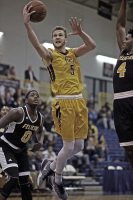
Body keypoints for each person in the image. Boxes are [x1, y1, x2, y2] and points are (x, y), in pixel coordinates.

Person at [23, 3, 96, 200]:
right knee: (69, 146)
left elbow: (92, 45)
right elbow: (36, 44)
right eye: (54, 35)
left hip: (80, 103)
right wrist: (28, 26)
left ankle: (50, 166)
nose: (57, 38)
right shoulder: (49, 56)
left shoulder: (73, 53)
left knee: (79, 147)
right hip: (63, 104)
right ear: (52, 39)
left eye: (60, 35)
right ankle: (58, 179)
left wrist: (80, 32)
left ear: (65, 38)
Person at [0, 90, 45, 200]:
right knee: (13, 177)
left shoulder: (40, 118)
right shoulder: (17, 112)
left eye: (37, 95)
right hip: (6, 147)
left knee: (25, 183)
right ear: (25, 100)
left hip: (21, 150)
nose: (36, 97)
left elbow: (40, 131)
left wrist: (40, 142)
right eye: (32, 95)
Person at [113, 0, 133, 168]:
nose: (124, 40)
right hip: (119, 103)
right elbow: (119, 25)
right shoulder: (122, 52)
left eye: (128, 38)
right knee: (128, 149)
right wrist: (124, 2)